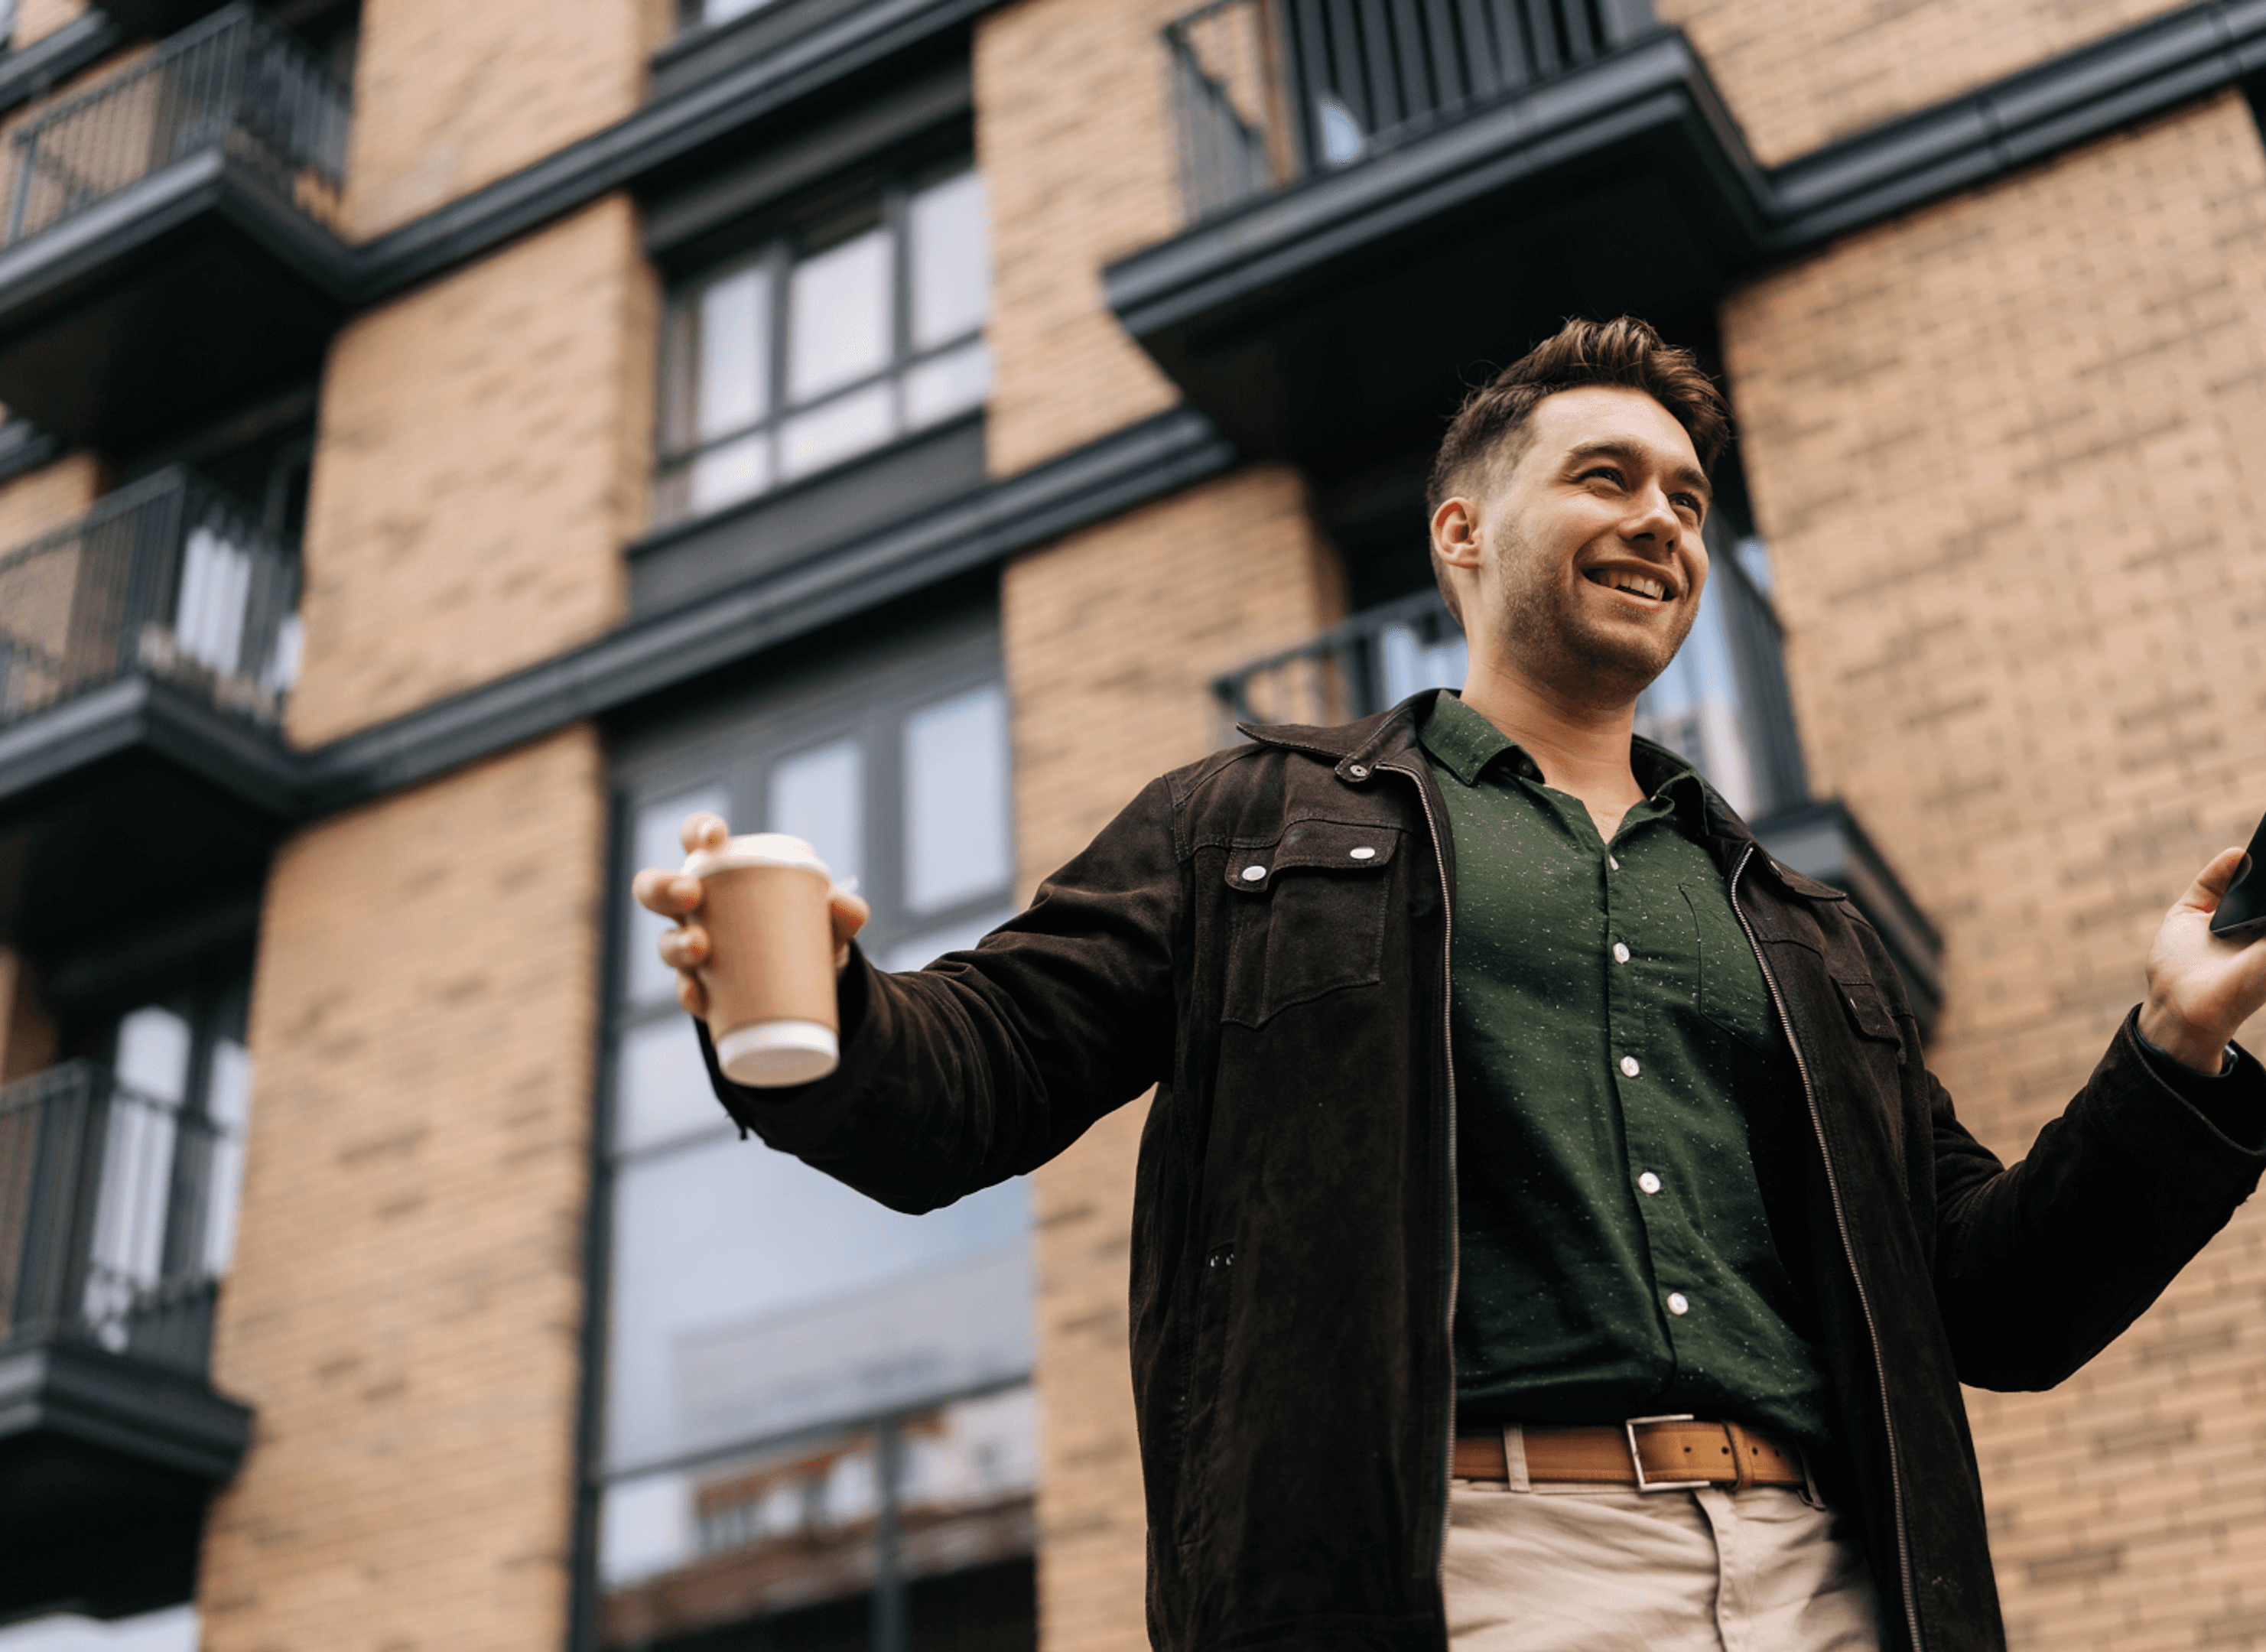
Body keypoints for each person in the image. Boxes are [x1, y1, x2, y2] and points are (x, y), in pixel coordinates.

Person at [633, 317, 2266, 1652]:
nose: (1662, 523)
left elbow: (1992, 1306)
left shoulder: (1791, 923)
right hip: (1477, 1577)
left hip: (1823, 1582)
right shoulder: (1253, 825)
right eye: (1607, 477)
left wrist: (2170, 1046)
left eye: (1691, 499)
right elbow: (970, 1077)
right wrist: (806, 1005)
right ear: (1461, 531)